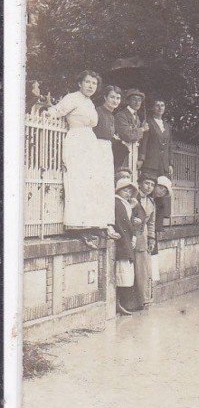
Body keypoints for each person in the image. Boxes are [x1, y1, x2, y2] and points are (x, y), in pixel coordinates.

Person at [46, 70, 116, 248]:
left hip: (89, 143)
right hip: (76, 142)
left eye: (94, 83)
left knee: (91, 185)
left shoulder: (90, 103)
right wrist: (47, 113)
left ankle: (92, 223)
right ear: (80, 83)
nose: (91, 86)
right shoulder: (73, 98)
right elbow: (57, 110)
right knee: (78, 183)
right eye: (87, 82)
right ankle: (78, 225)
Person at [130, 175, 156, 309]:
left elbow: (151, 223)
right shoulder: (133, 197)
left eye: (152, 185)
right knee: (131, 269)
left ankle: (142, 300)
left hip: (143, 236)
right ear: (140, 183)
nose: (149, 187)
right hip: (131, 234)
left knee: (142, 268)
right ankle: (131, 302)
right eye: (146, 183)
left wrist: (151, 238)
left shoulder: (151, 202)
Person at [114, 178, 139, 315]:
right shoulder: (117, 203)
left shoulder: (125, 204)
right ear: (118, 190)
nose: (128, 192)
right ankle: (118, 303)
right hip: (122, 242)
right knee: (121, 274)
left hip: (126, 240)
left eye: (130, 190)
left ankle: (120, 303)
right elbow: (120, 224)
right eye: (125, 189)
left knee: (125, 275)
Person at [113, 89, 148, 170]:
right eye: (134, 99)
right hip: (122, 153)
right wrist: (142, 129)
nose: (137, 102)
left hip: (134, 153)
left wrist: (140, 158)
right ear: (128, 101)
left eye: (139, 100)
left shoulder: (137, 117)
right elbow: (127, 135)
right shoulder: (121, 115)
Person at [139, 97, 173, 180]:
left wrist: (170, 164)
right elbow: (144, 142)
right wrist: (141, 159)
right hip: (151, 164)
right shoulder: (148, 122)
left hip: (164, 166)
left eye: (162, 105)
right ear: (152, 107)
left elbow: (169, 146)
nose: (160, 108)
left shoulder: (167, 126)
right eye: (157, 105)